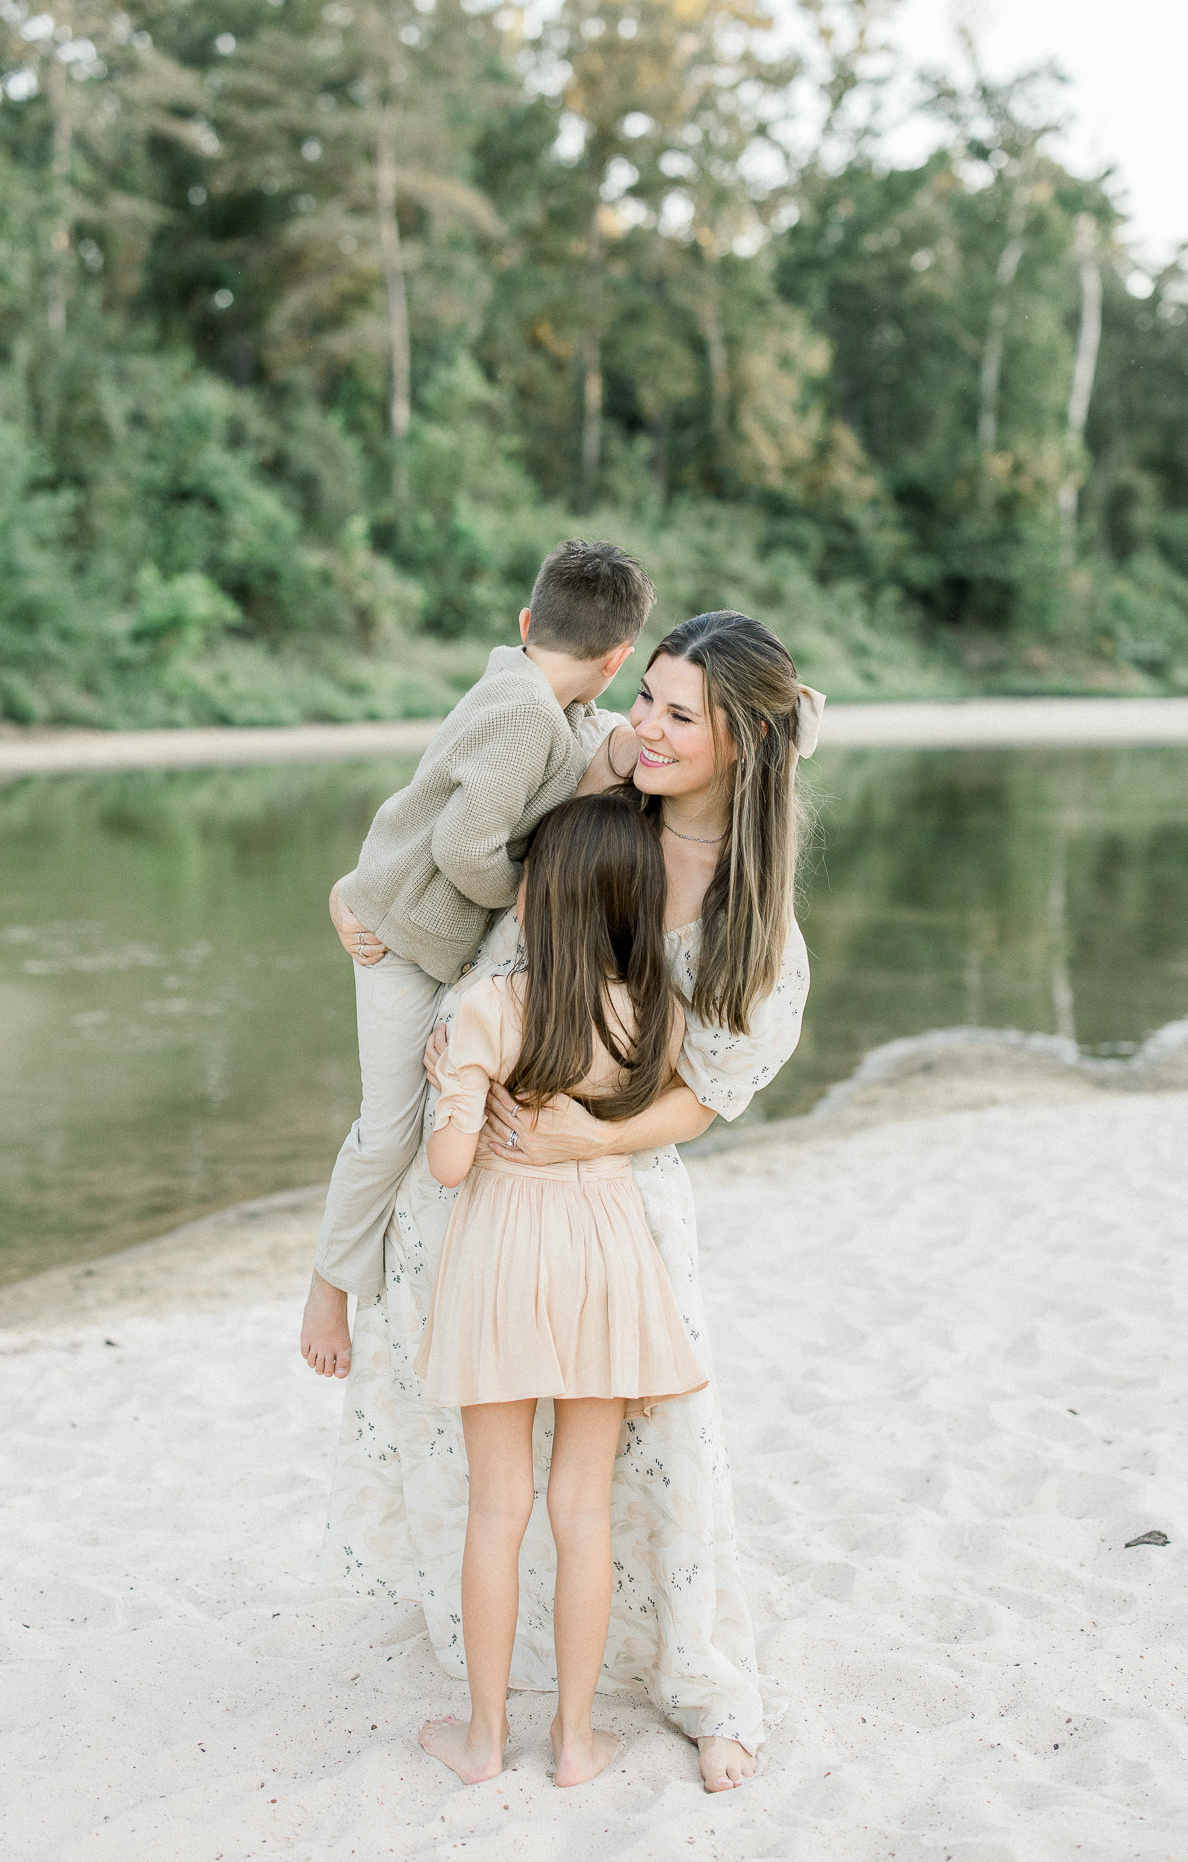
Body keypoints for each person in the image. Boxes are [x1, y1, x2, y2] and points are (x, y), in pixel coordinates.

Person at [315, 610, 824, 1795]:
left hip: (609, 1194)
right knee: (502, 1473)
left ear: (744, 741)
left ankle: (689, 1677)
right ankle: (528, 1687)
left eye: (679, 714)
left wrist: (588, 1133)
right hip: (485, 1176)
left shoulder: (750, 914)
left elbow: (707, 1093)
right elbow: (450, 836)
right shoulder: (598, 785)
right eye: (645, 695)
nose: (644, 726)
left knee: (658, 1457)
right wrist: (364, 905)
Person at [299, 541, 654, 1384]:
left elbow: (585, 737)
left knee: (426, 1107)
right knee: (389, 1127)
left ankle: (384, 1275)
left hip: (415, 928)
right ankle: (327, 1283)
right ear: (616, 658)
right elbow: (463, 848)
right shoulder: (524, 715)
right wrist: (527, 897)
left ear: (528, 621)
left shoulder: (535, 698)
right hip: (397, 942)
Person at [415, 792, 706, 1787]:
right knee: (583, 1509)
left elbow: (449, 1164)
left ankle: (485, 1738)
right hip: (606, 1250)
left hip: (504, 1247)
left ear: (538, 897)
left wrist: (450, 1082)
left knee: (496, 1507)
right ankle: (575, 1741)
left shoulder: (490, 1006)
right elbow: (680, 1108)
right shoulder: (653, 1011)